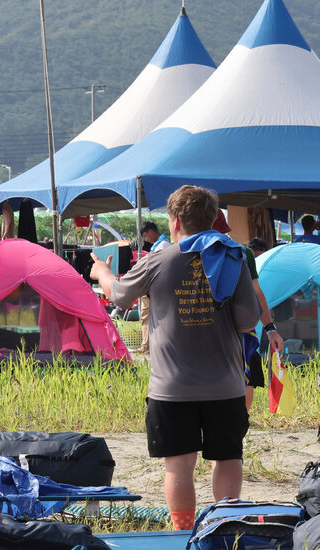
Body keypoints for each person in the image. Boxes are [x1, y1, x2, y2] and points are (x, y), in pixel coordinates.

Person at [90, 185, 260, 532]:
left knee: (179, 466)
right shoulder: (234, 258)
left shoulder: (158, 260)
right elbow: (247, 321)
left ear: (175, 221)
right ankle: (223, 530)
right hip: (225, 385)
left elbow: (119, 295)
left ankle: (183, 534)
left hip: (172, 388)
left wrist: (100, 272)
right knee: (228, 458)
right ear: (212, 218)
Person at [209, 210, 284, 410]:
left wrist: (271, 329)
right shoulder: (242, 252)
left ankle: (237, 420)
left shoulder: (187, 253)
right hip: (241, 328)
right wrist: (270, 329)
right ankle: (242, 420)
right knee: (246, 376)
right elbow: (257, 294)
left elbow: (257, 294)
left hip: (207, 329)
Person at [135, 221, 171, 353]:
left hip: (156, 288)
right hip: (152, 287)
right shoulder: (159, 245)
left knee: (152, 316)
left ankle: (150, 346)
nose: (146, 239)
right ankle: (146, 345)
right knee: (146, 316)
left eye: (145, 235)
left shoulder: (163, 245)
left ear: (150, 231)